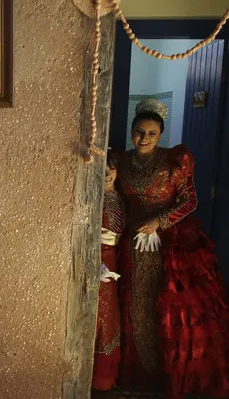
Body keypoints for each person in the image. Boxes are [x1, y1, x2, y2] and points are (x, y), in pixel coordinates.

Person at [115, 98, 229, 399]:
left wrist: (159, 221)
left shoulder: (175, 161)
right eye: (138, 132)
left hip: (171, 246)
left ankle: (168, 377)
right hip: (131, 244)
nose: (143, 139)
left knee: (171, 311)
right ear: (131, 131)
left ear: (160, 134)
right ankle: (135, 374)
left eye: (151, 133)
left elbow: (190, 201)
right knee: (134, 306)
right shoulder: (120, 163)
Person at [92, 155, 125, 391]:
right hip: (97, 259)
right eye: (102, 169)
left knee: (109, 312)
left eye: (111, 168)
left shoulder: (119, 196)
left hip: (113, 260)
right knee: (98, 312)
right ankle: (92, 375)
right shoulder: (94, 196)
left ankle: (104, 378)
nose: (107, 174)